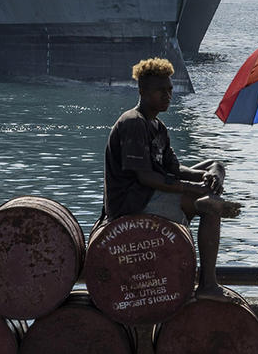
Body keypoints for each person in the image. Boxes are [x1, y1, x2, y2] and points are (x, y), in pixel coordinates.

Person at [102, 57, 240, 297]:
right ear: (143, 91)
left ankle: (212, 193)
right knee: (209, 208)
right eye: (160, 91)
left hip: (150, 193)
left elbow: (174, 169)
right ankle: (207, 285)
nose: (167, 95)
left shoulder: (157, 126)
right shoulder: (133, 123)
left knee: (215, 165)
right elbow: (145, 177)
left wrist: (207, 175)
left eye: (169, 90)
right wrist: (193, 189)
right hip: (131, 202)